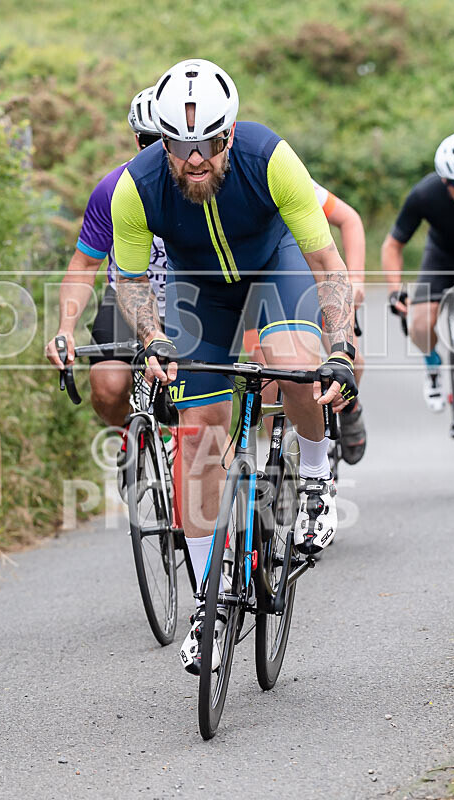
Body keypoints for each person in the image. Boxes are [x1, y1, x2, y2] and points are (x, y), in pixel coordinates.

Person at [111, 58, 357, 674]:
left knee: (294, 364)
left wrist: (341, 350)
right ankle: (210, 603)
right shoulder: (135, 187)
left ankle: (316, 476)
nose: (196, 160)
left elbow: (327, 265)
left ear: (230, 133)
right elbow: (132, 281)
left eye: (209, 145)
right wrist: (152, 339)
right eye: (180, 146)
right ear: (162, 143)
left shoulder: (270, 158)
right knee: (197, 438)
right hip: (199, 289)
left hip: (276, 266)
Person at [45, 87, 165, 429]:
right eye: (148, 140)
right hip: (125, 298)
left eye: (164, 140)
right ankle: (134, 437)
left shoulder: (203, 185)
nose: (156, 150)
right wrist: (65, 329)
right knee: (108, 388)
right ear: (136, 139)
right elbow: (84, 265)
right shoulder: (112, 189)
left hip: (189, 298)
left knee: (191, 404)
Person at [243, 180, 367, 464]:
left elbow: (349, 219)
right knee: (269, 379)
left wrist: (357, 278)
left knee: (352, 359)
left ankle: (349, 409)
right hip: (261, 291)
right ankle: (283, 465)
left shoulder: (287, 179)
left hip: (312, 282)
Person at [382, 132, 454, 414]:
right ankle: (432, 366)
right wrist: (395, 291)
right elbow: (392, 245)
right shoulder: (424, 194)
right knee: (419, 324)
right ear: (443, 180)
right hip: (441, 258)